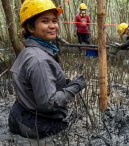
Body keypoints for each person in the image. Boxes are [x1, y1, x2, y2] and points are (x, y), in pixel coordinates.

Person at [8, 0, 87, 139]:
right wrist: (75, 86)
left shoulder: (29, 50)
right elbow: (48, 103)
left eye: (55, 21)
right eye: (45, 21)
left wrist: (67, 82)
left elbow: (35, 84)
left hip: (18, 114)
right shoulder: (40, 60)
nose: (53, 26)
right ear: (31, 27)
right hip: (37, 125)